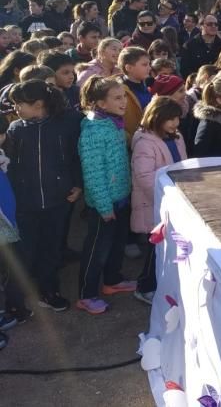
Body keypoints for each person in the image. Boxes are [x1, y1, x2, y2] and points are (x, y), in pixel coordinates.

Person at [4, 81, 82, 319]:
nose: (15, 109)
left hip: (57, 202)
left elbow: (75, 157)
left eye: (19, 104)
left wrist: (78, 184)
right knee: (22, 254)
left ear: (38, 104)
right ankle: (15, 302)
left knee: (51, 250)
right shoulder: (15, 129)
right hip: (24, 205)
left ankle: (48, 291)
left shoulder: (66, 124)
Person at [76, 76, 136, 314]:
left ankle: (112, 280)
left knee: (117, 243)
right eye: (118, 98)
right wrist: (104, 206)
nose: (124, 102)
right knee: (97, 250)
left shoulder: (113, 122)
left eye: (124, 96)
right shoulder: (93, 130)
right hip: (105, 203)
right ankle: (86, 294)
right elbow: (93, 174)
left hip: (120, 197)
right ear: (101, 103)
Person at [131, 96, 187, 304]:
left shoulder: (176, 136)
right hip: (156, 204)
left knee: (164, 248)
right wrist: (165, 200)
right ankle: (144, 287)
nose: (175, 124)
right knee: (154, 250)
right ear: (156, 118)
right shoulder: (145, 144)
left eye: (177, 119)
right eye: (170, 119)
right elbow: (145, 178)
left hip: (173, 201)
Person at [118, 47, 151, 146]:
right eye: (144, 65)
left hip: (149, 139)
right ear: (129, 68)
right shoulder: (119, 92)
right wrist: (131, 140)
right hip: (133, 144)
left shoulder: (146, 86)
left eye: (149, 64)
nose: (149, 68)